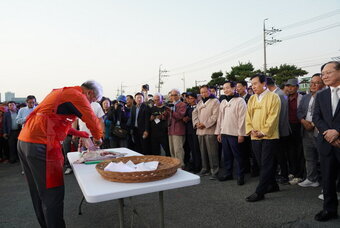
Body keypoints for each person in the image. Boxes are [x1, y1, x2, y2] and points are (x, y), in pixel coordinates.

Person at [17, 80, 103, 228]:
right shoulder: (77, 96)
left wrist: (80, 133)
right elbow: (92, 120)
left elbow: (57, 122)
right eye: (93, 100)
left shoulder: (61, 93)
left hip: (26, 141)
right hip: (42, 144)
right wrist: (98, 138)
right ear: (90, 93)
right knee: (53, 193)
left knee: (38, 192)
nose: (91, 104)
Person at [245, 74, 281, 202]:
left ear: (263, 83)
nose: (253, 86)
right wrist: (250, 130)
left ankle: (260, 192)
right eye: (252, 84)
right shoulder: (252, 99)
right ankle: (273, 185)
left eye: (255, 83)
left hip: (269, 136)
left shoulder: (273, 97)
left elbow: (274, 117)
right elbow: (248, 116)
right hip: (255, 136)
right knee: (262, 163)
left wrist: (263, 131)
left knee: (266, 163)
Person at [313, 61, 340, 222]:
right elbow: (317, 117)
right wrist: (328, 134)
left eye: (328, 73)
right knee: (328, 179)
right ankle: (329, 210)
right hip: (326, 143)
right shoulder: (321, 94)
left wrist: (337, 132)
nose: (324, 76)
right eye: (323, 74)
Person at [215, 81, 247, 185]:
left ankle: (240, 175)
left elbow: (243, 118)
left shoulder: (240, 101)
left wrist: (241, 134)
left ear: (234, 88)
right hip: (225, 132)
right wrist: (219, 132)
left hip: (235, 134)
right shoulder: (223, 102)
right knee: (227, 156)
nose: (225, 90)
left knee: (238, 156)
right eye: (224, 88)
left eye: (228, 88)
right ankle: (228, 173)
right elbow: (220, 118)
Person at [297, 74, 325, 188]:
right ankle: (312, 179)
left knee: (323, 159)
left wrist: (313, 124)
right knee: (309, 156)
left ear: (323, 85)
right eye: (311, 82)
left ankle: (327, 185)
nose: (313, 85)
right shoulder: (305, 97)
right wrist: (303, 121)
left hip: (319, 131)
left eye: (317, 83)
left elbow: (325, 115)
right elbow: (299, 112)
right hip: (306, 130)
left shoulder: (324, 96)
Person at [266, 77, 291, 185]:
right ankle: (282, 173)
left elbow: (279, 115)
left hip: (279, 129)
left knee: (280, 154)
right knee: (279, 154)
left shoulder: (278, 95)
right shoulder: (280, 93)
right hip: (280, 128)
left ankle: (284, 175)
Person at [192, 85, 220, 180]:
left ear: (209, 91)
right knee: (203, 152)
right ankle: (205, 168)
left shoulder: (215, 101)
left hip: (210, 130)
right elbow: (194, 113)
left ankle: (214, 171)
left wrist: (205, 124)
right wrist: (196, 123)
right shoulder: (199, 102)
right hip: (200, 131)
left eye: (205, 92)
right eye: (202, 92)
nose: (203, 94)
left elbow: (215, 116)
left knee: (212, 153)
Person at [286, 78, 304, 185]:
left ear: (297, 87)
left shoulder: (302, 98)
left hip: (299, 126)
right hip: (288, 127)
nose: (290, 88)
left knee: (299, 152)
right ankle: (292, 171)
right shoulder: (284, 98)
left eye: (292, 86)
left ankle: (299, 174)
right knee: (290, 151)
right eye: (288, 86)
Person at [167, 89, 187, 166]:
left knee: (178, 150)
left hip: (178, 130)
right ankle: (175, 166)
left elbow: (180, 116)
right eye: (172, 95)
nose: (174, 97)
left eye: (175, 95)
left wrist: (171, 111)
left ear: (179, 95)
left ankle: (180, 166)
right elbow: (167, 117)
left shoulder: (182, 104)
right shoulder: (171, 104)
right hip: (170, 130)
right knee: (172, 150)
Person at [183, 92, 201, 173]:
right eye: (188, 98)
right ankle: (192, 164)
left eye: (191, 98)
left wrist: (190, 119)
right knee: (190, 149)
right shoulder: (188, 107)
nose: (189, 100)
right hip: (188, 130)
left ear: (195, 98)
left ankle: (198, 166)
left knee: (196, 149)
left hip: (196, 130)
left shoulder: (198, 106)